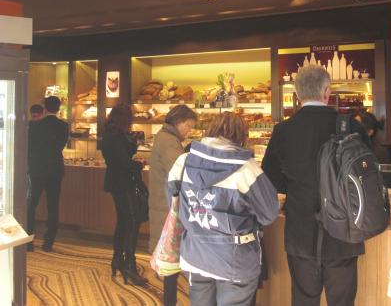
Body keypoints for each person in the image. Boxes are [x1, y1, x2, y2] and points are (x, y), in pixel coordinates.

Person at [262, 65, 367, 306]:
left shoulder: (284, 130)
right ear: (327, 91)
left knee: (304, 299)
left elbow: (271, 179)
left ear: (297, 94)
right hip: (345, 233)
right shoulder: (351, 126)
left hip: (301, 232)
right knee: (342, 301)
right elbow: (367, 175)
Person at [167, 112, 279, 306]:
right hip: (234, 259)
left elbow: (173, 203)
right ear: (241, 135)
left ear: (211, 130)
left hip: (195, 253)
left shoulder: (183, 162)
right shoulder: (247, 169)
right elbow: (269, 214)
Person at [149, 104, 197, 306]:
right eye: (188, 126)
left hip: (163, 204)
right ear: (178, 122)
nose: (190, 131)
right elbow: (181, 173)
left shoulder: (165, 137)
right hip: (168, 207)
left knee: (171, 264)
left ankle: (170, 300)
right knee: (172, 261)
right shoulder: (170, 142)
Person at [101, 104, 147, 286]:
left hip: (116, 182)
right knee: (132, 222)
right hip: (123, 183)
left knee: (123, 221)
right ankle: (129, 264)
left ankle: (118, 258)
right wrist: (139, 164)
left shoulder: (111, 134)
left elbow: (120, 159)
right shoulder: (116, 137)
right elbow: (124, 163)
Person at [27, 95, 69, 252]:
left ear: (44, 108)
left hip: (37, 169)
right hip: (55, 169)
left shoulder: (34, 125)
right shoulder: (63, 126)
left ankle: (29, 240)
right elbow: (60, 146)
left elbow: (30, 148)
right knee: (53, 206)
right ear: (58, 109)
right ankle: (48, 242)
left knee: (31, 204)